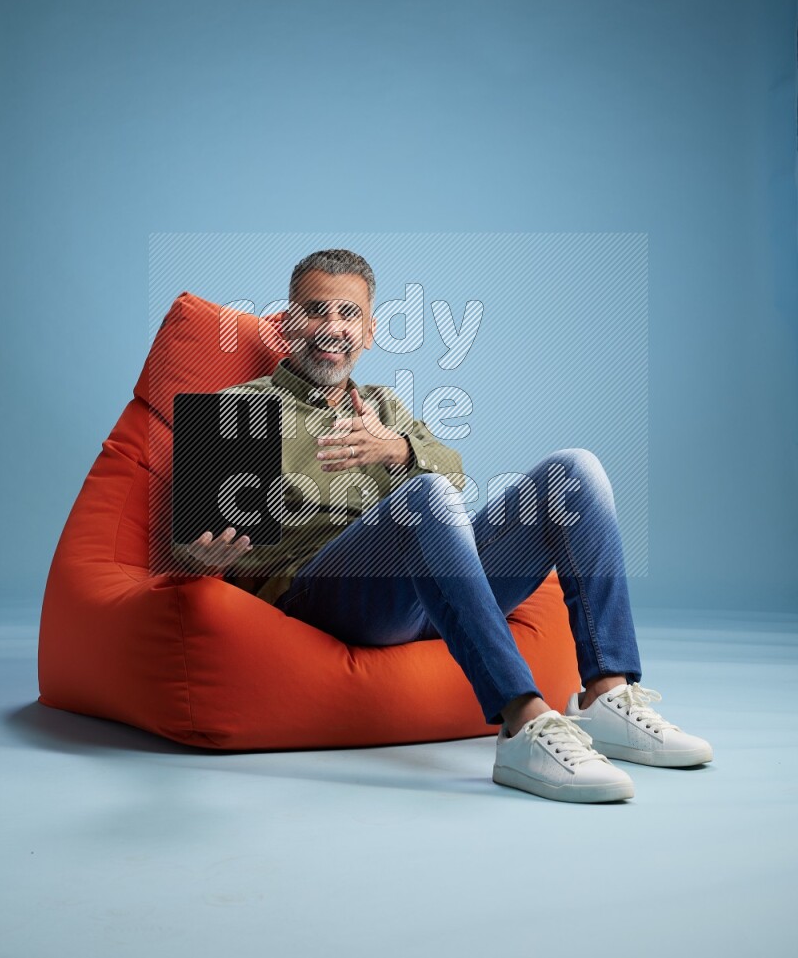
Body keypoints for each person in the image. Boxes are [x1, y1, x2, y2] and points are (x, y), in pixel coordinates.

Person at [183, 248, 712, 804]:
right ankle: (522, 722)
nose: (331, 328)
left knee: (574, 472)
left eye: (347, 315)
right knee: (426, 496)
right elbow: (186, 543)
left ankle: (607, 695)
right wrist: (201, 559)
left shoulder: (384, 406)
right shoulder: (239, 409)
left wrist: (398, 449)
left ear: (369, 331)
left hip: (430, 592)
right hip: (329, 598)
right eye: (316, 312)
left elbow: (455, 474)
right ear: (289, 321)